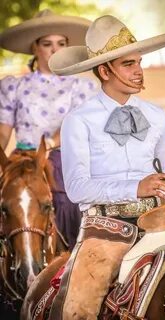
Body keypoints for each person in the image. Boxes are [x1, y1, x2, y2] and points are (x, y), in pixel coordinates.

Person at [48, 15, 165, 319]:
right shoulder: (78, 120)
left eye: (139, 62)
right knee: (78, 308)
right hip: (104, 231)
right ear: (104, 70)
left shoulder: (157, 115)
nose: (138, 71)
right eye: (128, 64)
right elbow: (77, 186)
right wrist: (134, 187)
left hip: (160, 221)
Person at [0, 9, 97, 251]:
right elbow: (3, 133)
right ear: (35, 48)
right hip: (22, 159)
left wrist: (50, 146)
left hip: (62, 159)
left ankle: (68, 257)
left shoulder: (81, 86)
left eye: (61, 43)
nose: (55, 49)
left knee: (64, 198)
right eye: (47, 44)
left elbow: (73, 124)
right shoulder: (14, 86)